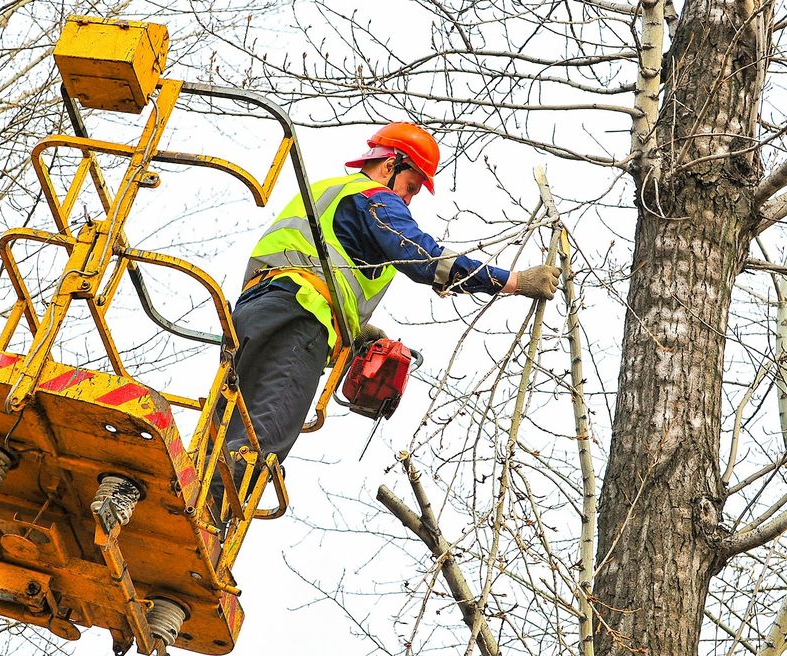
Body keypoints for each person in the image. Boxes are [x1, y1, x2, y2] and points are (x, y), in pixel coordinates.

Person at [209, 122, 560, 511]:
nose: (408, 200)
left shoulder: (330, 191)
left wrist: (355, 330)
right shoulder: (374, 199)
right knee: (262, 439)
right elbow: (425, 259)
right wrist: (512, 281)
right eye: (410, 187)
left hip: (255, 313)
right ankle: (210, 530)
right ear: (390, 165)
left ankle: (187, 510)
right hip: (302, 318)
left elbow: (321, 261)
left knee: (223, 435)